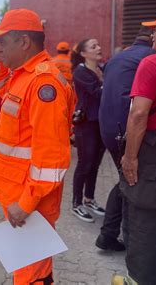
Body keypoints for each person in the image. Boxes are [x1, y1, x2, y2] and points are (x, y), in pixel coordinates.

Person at [0, 8, 74, 284]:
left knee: (31, 276)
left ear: (24, 42)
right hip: (18, 196)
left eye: (2, 41)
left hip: (29, 203)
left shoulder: (42, 82)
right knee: (30, 270)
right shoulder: (22, 75)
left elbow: (52, 157)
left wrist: (26, 203)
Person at [116, 9, 156, 285]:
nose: (152, 34)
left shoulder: (155, 63)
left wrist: (130, 158)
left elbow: (139, 114)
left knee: (147, 217)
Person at [96, 26, 154, 252]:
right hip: (127, 128)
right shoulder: (151, 58)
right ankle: (115, 236)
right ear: (152, 38)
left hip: (108, 127)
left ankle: (109, 235)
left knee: (125, 178)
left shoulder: (117, 57)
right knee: (129, 180)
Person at [70, 38, 106, 223]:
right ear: (83, 53)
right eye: (93, 46)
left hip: (101, 122)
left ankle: (89, 199)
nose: (99, 47)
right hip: (86, 124)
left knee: (95, 164)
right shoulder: (81, 72)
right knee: (85, 163)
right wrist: (107, 84)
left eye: (98, 45)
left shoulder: (102, 69)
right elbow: (99, 92)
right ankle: (76, 203)